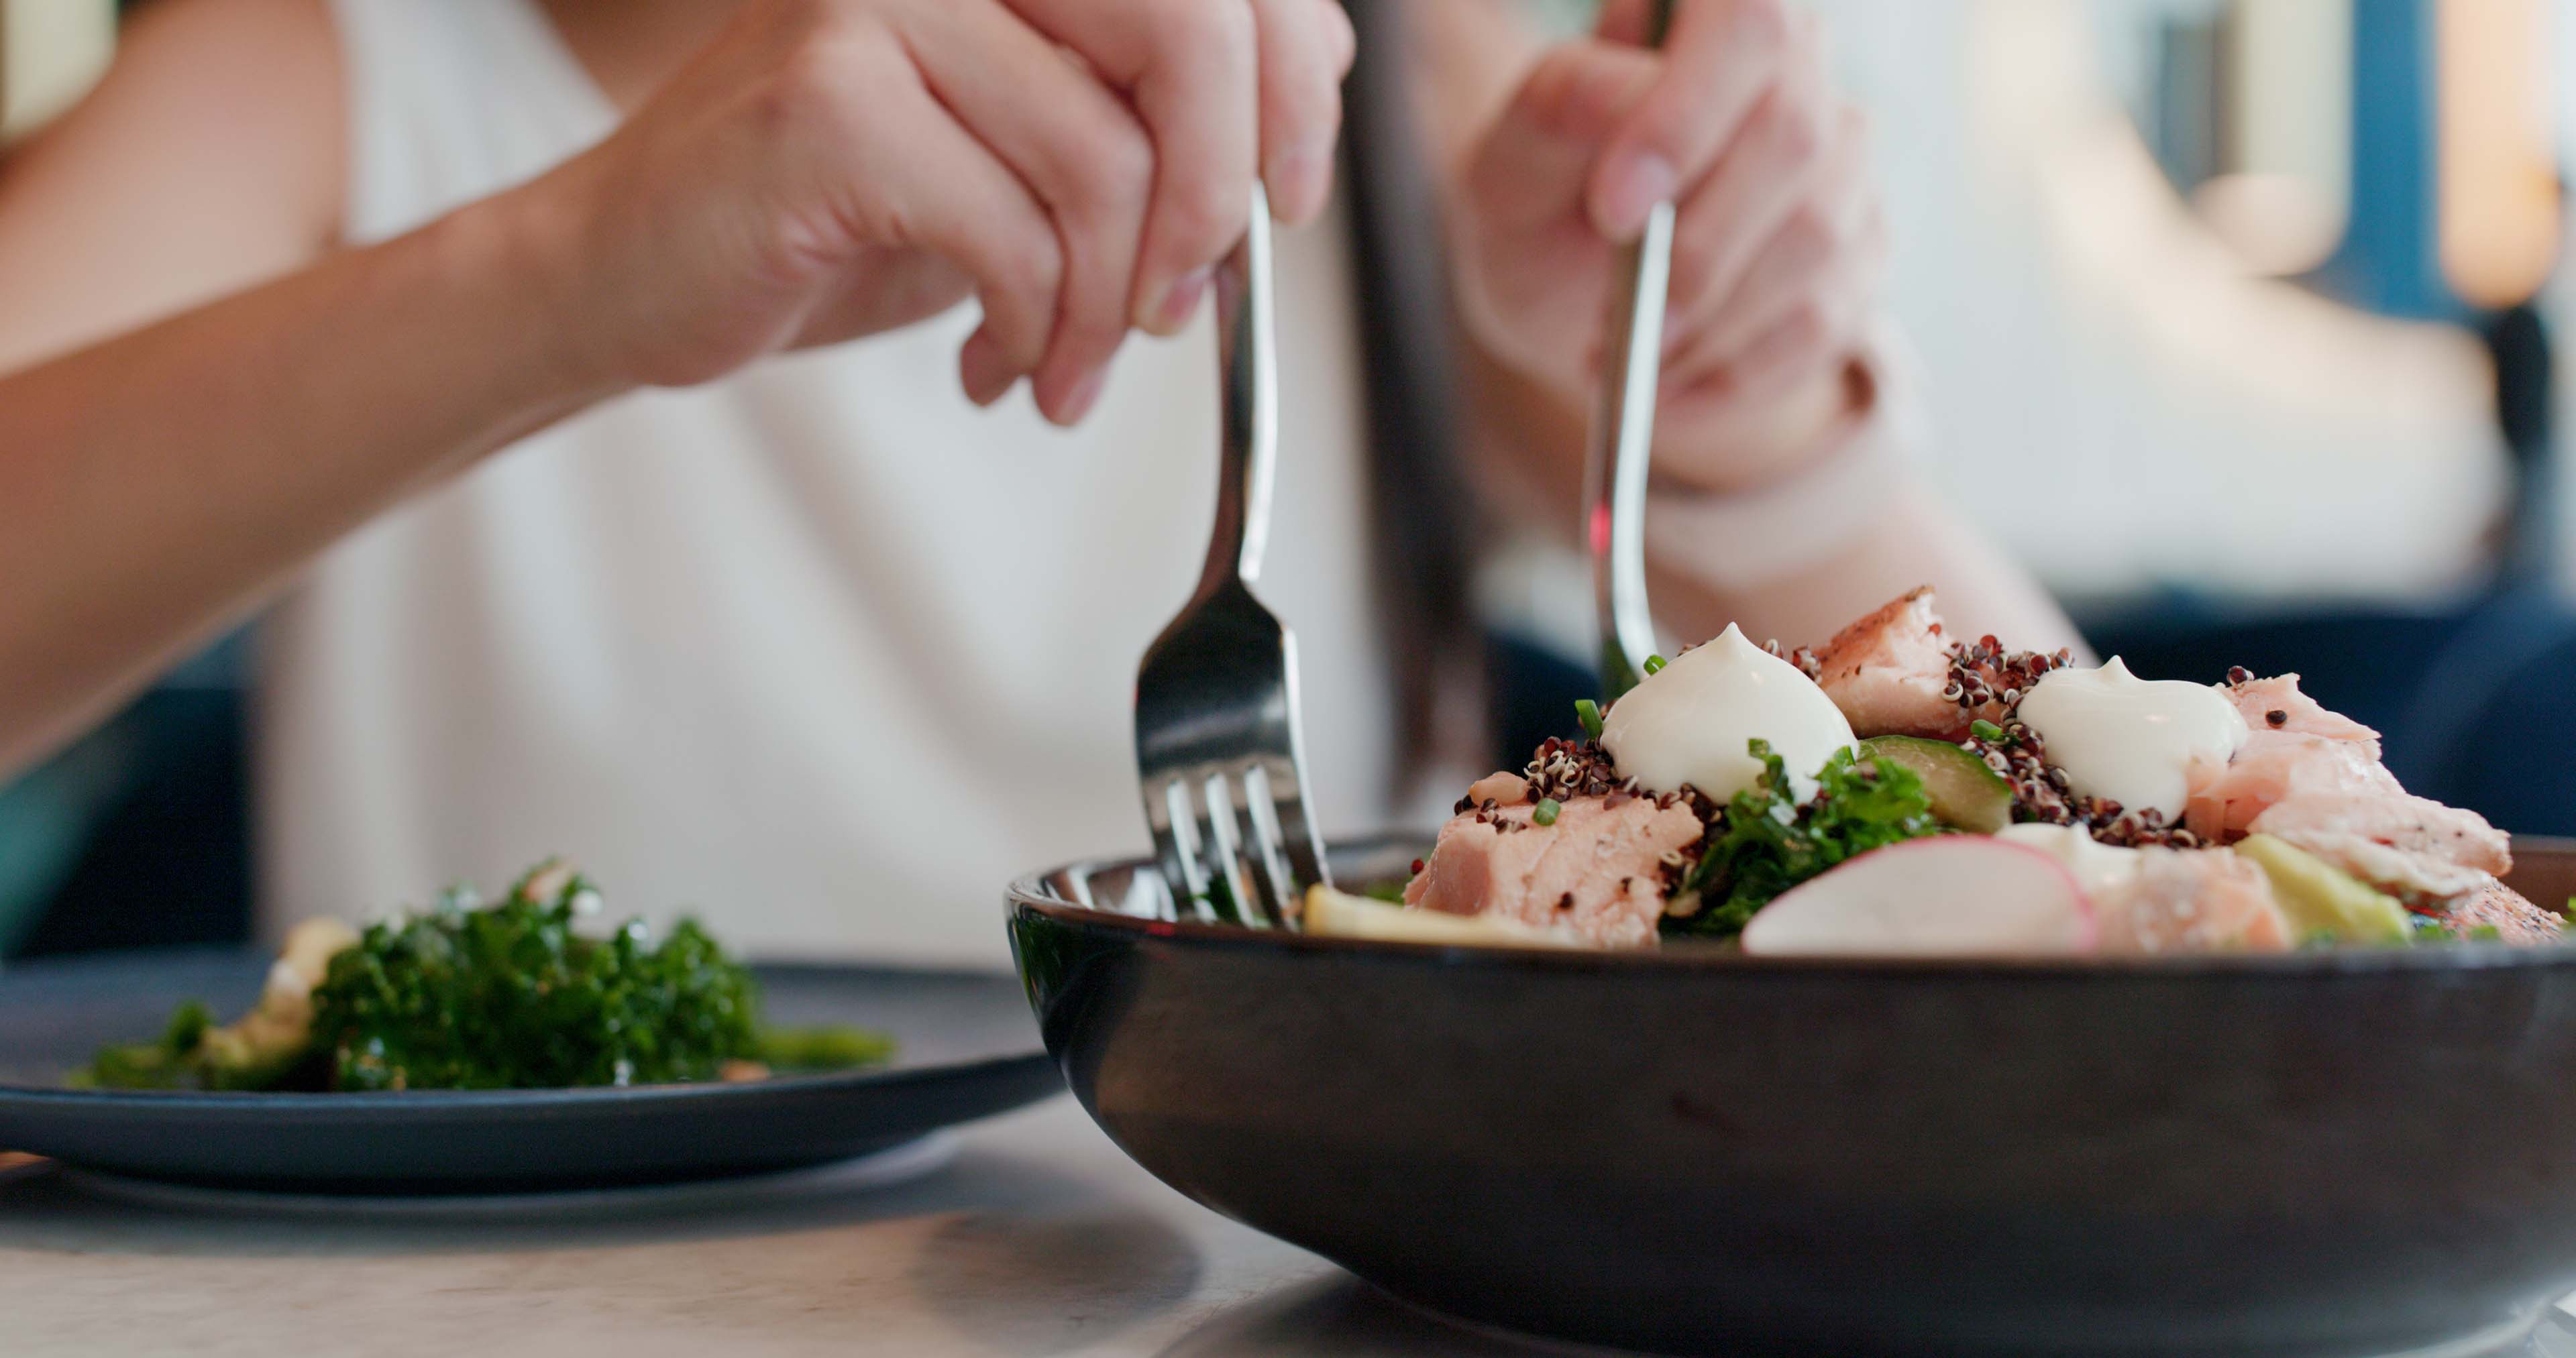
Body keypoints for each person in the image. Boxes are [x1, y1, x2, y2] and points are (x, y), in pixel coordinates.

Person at [0, 0, 2077, 964]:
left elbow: (2099, 855)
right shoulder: (325, 65)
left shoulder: (1366, 64)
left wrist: (1747, 406)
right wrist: (574, 266)